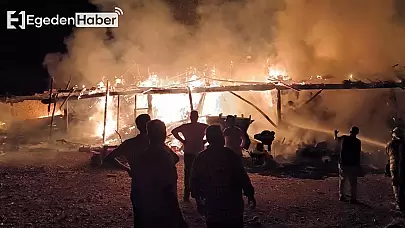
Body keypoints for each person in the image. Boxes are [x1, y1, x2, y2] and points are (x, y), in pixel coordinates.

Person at [191, 125, 256, 228]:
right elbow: (242, 176)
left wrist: (198, 201)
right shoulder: (230, 155)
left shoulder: (201, 157)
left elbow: (195, 181)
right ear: (220, 138)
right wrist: (250, 193)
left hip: (213, 208)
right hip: (232, 207)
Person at [132, 119, 188, 228]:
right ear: (164, 134)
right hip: (162, 210)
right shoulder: (164, 156)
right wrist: (179, 218)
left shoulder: (142, 157)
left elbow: (136, 188)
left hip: (145, 207)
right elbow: (168, 190)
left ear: (148, 135)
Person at [171, 110, 208, 201]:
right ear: (197, 117)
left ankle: (186, 194)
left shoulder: (185, 127)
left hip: (189, 151)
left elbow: (174, 131)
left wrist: (183, 140)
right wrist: (205, 141)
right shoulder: (203, 126)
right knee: (200, 171)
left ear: (190, 117)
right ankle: (199, 192)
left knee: (188, 172)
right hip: (199, 152)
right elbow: (211, 131)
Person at [334, 126, 361, 203]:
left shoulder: (344, 138)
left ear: (350, 131)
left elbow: (336, 139)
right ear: (357, 133)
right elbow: (358, 154)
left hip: (344, 164)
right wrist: (358, 165)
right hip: (353, 165)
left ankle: (342, 196)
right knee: (353, 183)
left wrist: (335, 134)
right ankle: (353, 199)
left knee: (343, 181)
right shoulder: (358, 142)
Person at [386, 127, 405, 211]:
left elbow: (387, 153)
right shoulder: (403, 144)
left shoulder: (389, 144)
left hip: (393, 166)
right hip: (402, 166)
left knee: (396, 184)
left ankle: (399, 203)